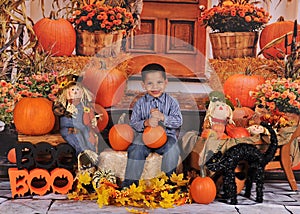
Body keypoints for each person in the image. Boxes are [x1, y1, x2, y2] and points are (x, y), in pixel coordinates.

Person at [122, 63, 183, 188]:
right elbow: (134, 123)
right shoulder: (140, 103)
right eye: (150, 83)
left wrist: (163, 118)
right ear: (143, 85)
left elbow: (178, 121)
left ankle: (167, 184)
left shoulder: (172, 102)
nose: (155, 87)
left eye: (159, 82)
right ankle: (129, 185)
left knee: (172, 149)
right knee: (135, 149)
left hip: (166, 137)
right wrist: (146, 123)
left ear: (166, 82)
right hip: (144, 137)